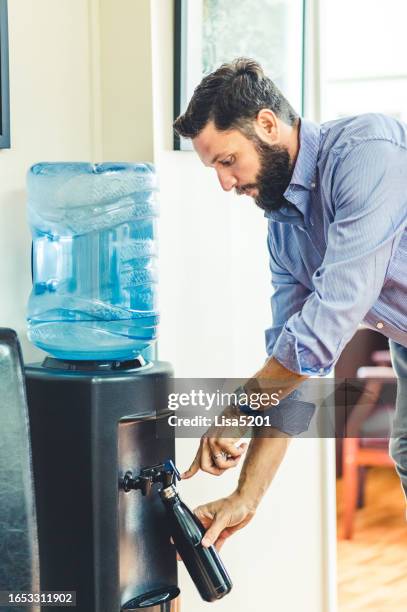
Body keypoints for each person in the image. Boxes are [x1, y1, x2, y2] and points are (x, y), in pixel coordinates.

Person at [173, 57, 407, 551]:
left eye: (227, 160)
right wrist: (246, 495)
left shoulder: (368, 152)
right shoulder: (284, 229)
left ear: (266, 123)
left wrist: (240, 407)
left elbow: (327, 324)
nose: (224, 182)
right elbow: (294, 365)